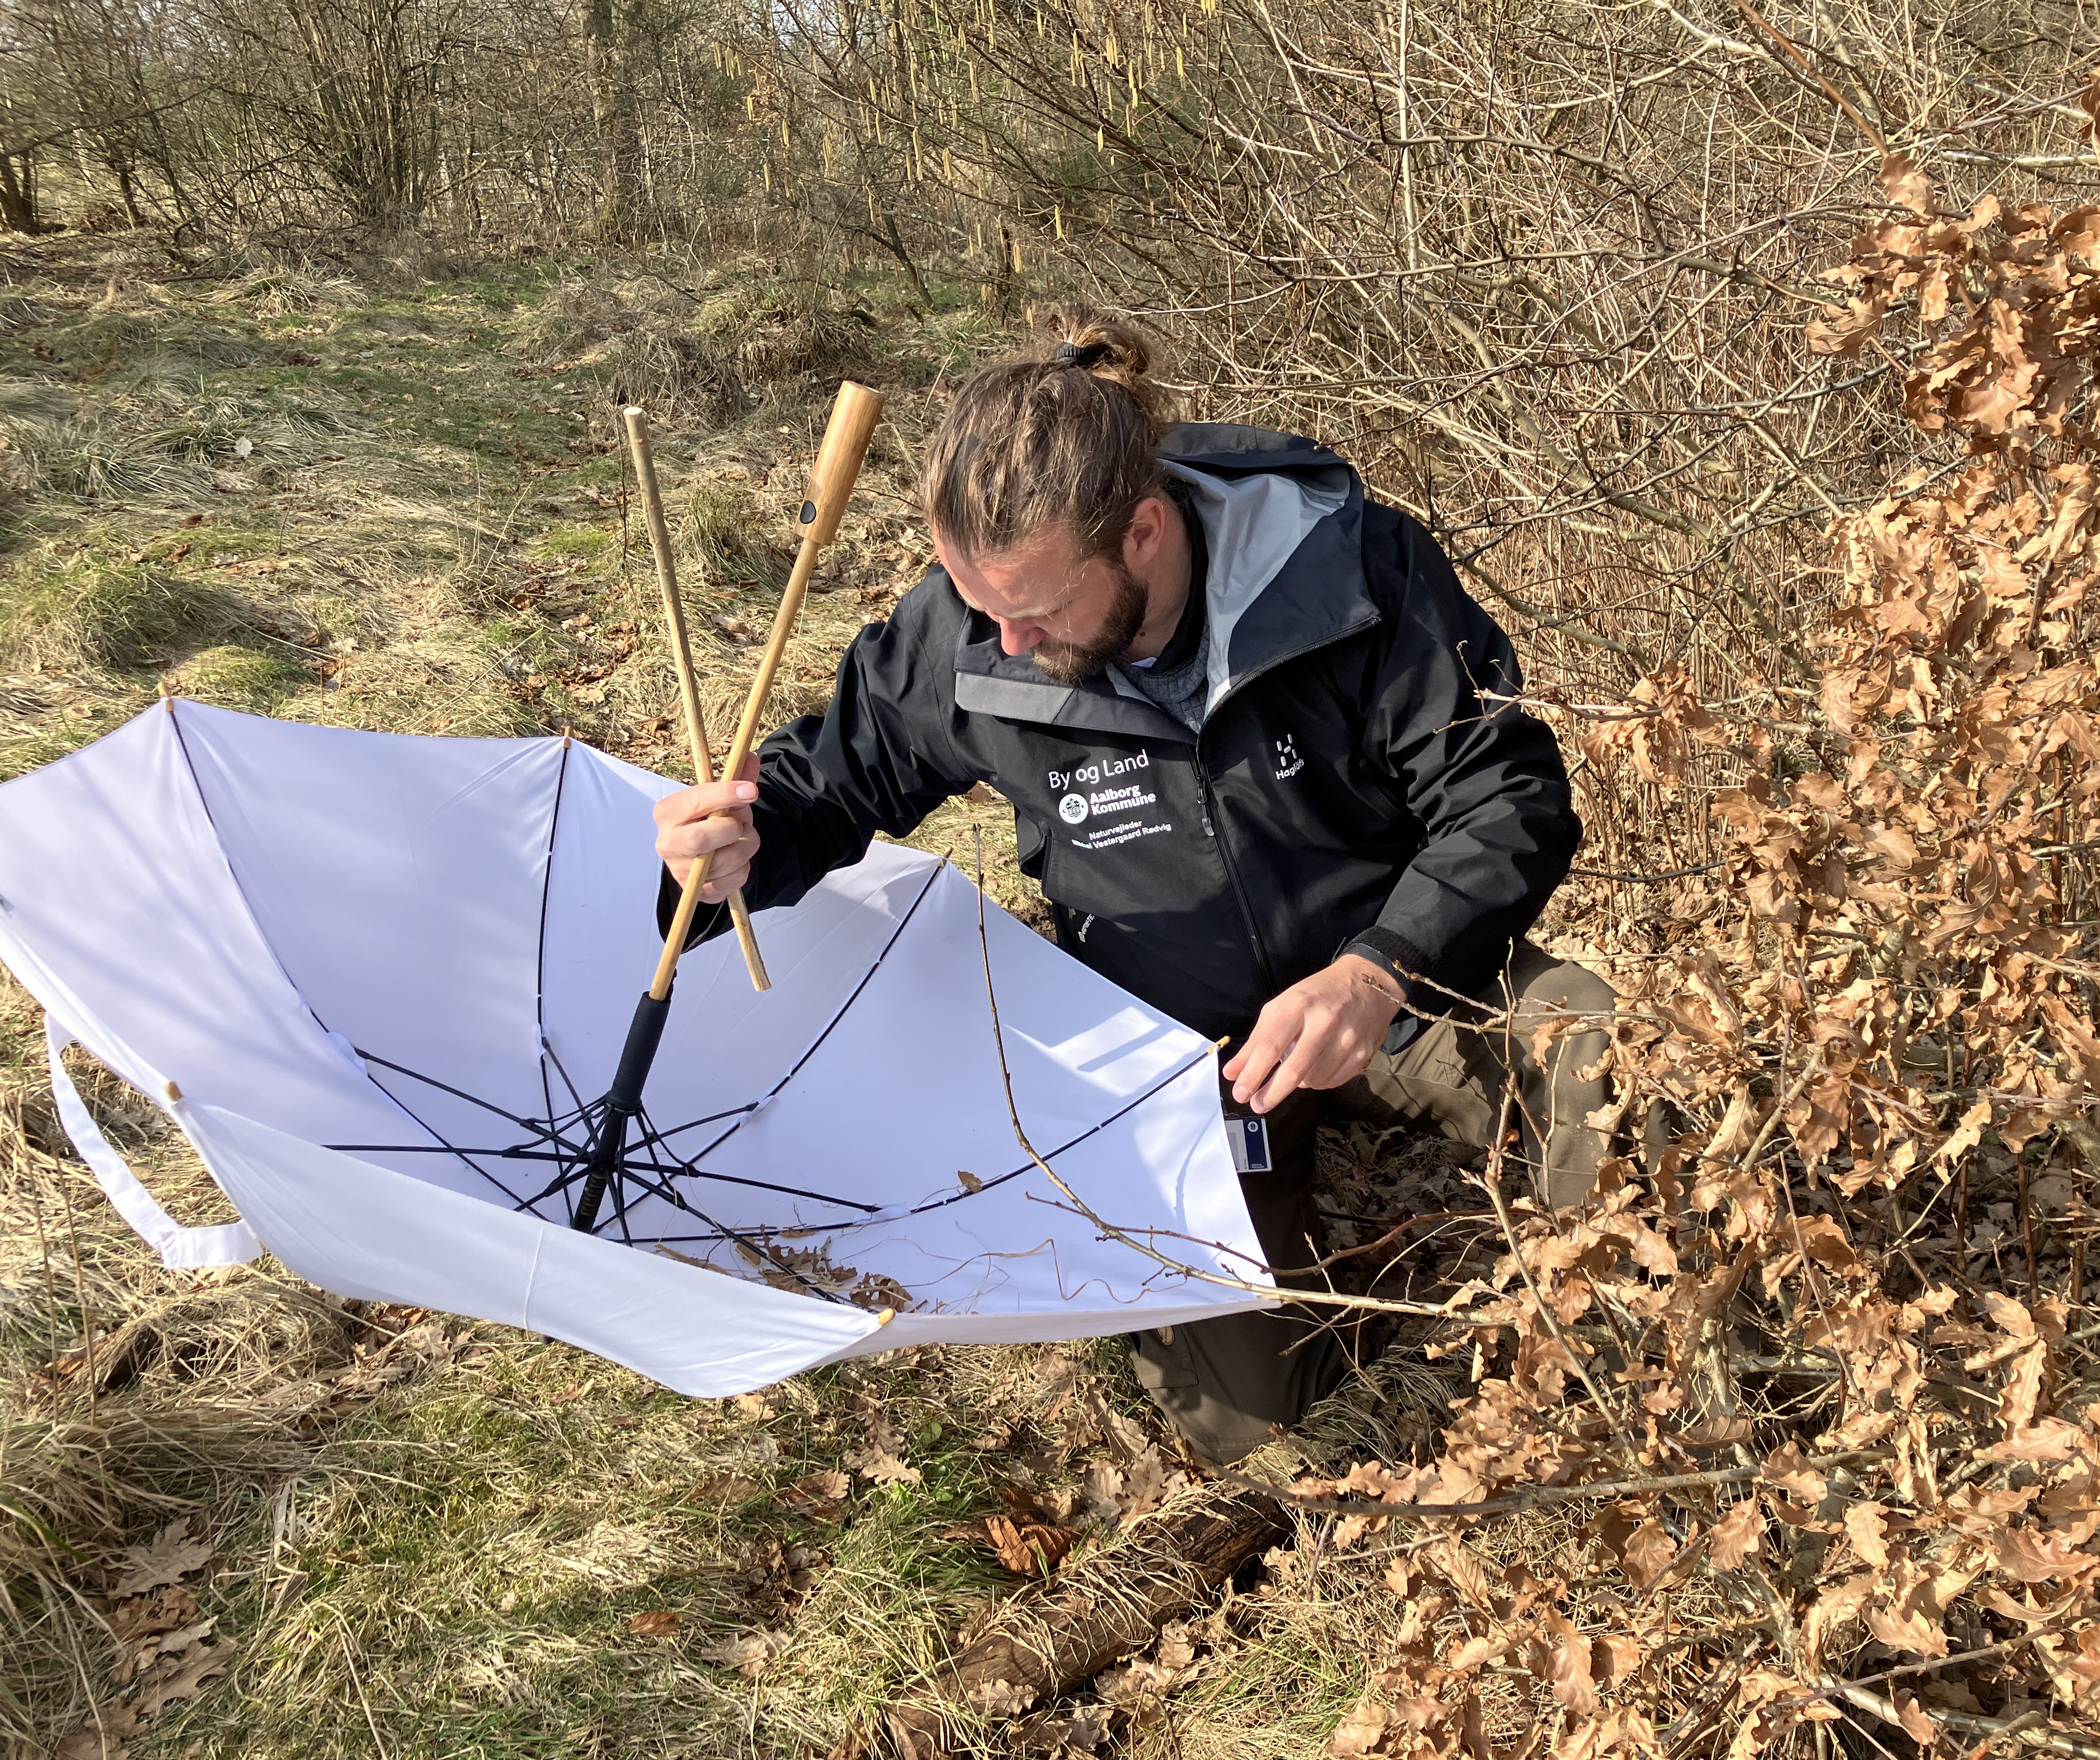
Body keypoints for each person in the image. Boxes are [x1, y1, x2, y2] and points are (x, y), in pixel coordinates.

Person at [653, 308, 1614, 1463]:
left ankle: (1585, 1330)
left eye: (1040, 611)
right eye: (982, 607)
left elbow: (1507, 794)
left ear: (1146, 534)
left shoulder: (1346, 570)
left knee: (1595, 1050)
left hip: (1396, 983)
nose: (1005, 643)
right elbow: (829, 788)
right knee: (1262, 1441)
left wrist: (1380, 970)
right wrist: (730, 858)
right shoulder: (970, 628)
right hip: (1182, 1069)